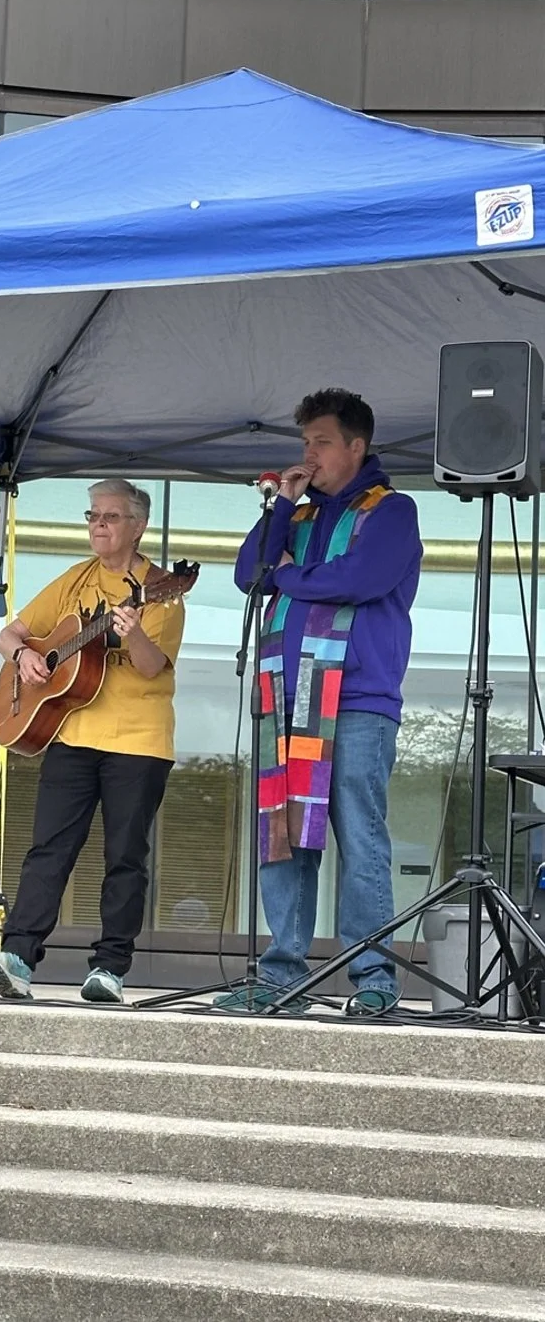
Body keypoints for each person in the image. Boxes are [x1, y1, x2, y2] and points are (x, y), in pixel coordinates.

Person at [222, 388, 422, 1017]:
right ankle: (282, 974)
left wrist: (286, 574)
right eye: (305, 442)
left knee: (359, 837)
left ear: (356, 447)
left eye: (322, 443)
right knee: (282, 835)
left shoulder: (392, 510)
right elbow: (246, 570)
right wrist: (282, 502)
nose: (308, 455)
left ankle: (373, 982)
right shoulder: (299, 515)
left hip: (357, 698)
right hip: (285, 694)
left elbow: (358, 580)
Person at [0, 477, 185, 1004]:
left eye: (110, 517)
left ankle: (110, 967)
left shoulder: (162, 590)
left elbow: (154, 666)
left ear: (138, 527)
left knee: (125, 856)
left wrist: (132, 630)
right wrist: (23, 657)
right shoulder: (74, 580)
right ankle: (17, 959)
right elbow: (9, 633)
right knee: (49, 847)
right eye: (92, 516)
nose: (98, 525)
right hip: (71, 731)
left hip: (138, 740)